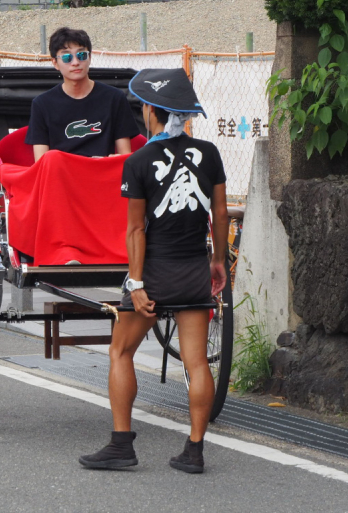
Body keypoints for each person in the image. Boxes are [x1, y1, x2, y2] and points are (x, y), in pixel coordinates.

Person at [78, 68, 228, 473]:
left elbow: (135, 229)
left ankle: (121, 444)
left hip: (155, 272)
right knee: (196, 363)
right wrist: (218, 259)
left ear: (152, 111)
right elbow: (219, 212)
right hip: (195, 268)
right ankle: (194, 451)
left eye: (145, 107)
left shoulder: (139, 160)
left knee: (121, 350)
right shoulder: (210, 154)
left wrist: (137, 282)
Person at [26, 27, 139, 162]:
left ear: (89, 58)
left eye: (81, 55)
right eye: (67, 57)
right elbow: (41, 163)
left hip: (101, 173)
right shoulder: (42, 104)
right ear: (55, 63)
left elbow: (124, 157)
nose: (75, 62)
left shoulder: (114, 98)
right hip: (61, 176)